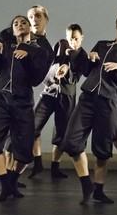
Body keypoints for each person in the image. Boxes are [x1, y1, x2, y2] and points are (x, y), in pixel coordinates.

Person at [57, 12, 117, 205]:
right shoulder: (102, 45)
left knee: (102, 150)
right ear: (116, 26)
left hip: (108, 104)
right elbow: (85, 71)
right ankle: (87, 184)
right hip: (87, 99)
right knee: (71, 143)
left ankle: (99, 190)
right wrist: (87, 57)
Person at [0, 5, 51, 189]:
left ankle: (10, 179)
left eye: (38, 16)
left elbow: (36, 77)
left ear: (45, 19)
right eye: (30, 16)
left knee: (16, 142)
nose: (34, 19)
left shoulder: (43, 47)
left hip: (20, 97)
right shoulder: (12, 34)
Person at [29, 24, 87, 179]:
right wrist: (57, 70)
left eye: (76, 39)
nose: (73, 42)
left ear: (81, 38)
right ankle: (37, 163)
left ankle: (55, 167)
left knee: (61, 134)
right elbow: (49, 64)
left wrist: (68, 67)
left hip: (67, 97)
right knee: (32, 127)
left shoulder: (83, 56)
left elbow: (75, 78)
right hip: (49, 93)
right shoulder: (60, 45)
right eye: (70, 38)